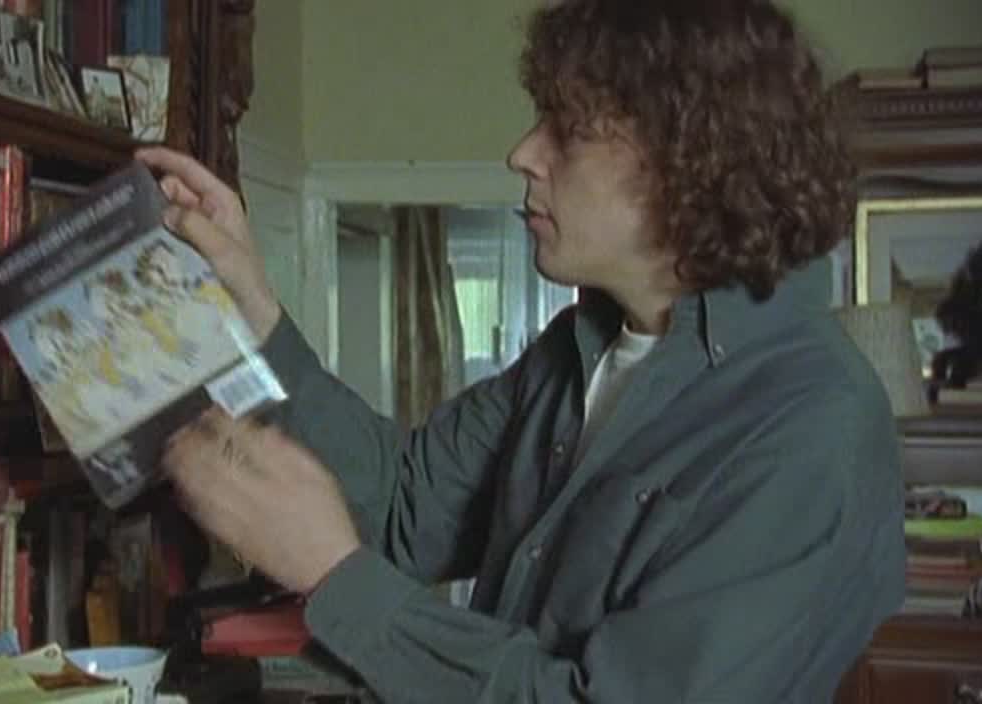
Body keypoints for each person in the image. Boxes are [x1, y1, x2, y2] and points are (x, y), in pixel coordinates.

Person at [136, 0, 906, 700]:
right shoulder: (575, 350)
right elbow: (403, 509)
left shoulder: (812, 427)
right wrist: (253, 308)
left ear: (688, 160)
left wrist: (335, 575)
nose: (524, 153)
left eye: (566, 129)